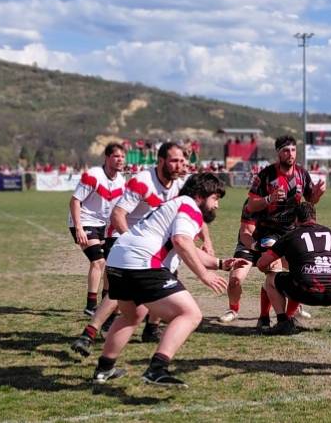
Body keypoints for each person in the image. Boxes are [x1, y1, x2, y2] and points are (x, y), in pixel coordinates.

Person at [90, 173, 246, 388]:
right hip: (141, 262)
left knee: (131, 315)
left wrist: (219, 264)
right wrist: (204, 275)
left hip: (118, 261)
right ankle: (157, 369)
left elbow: (185, 245)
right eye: (215, 198)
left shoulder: (174, 204)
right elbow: (181, 241)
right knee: (190, 314)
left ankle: (104, 369)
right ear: (200, 196)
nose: (217, 205)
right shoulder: (190, 206)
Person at [71, 142, 195, 356]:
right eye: (175, 161)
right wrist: (134, 242)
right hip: (125, 239)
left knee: (166, 279)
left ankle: (150, 328)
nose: (180, 166)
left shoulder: (179, 185)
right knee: (124, 289)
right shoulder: (142, 181)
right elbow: (117, 214)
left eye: (183, 161)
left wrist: (206, 242)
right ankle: (89, 334)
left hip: (154, 244)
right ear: (161, 161)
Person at [243, 135, 327, 331]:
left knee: (300, 270)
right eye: (286, 151)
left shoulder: (302, 174)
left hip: (293, 231)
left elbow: (310, 201)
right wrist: (269, 199)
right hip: (269, 231)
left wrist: (317, 194)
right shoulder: (265, 175)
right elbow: (251, 205)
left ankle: (288, 318)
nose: (290, 154)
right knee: (274, 269)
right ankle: (264, 317)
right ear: (278, 153)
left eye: (293, 150)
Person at [256, 202, 331, 335]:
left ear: (296, 219)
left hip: (305, 292)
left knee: (270, 279)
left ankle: (283, 322)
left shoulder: (290, 236)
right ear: (315, 217)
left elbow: (262, 263)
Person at [67, 143, 126, 317]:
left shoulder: (121, 181)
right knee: (98, 262)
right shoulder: (93, 175)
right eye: (116, 156)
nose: (120, 160)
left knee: (110, 263)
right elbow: (74, 201)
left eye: (122, 157)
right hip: (83, 221)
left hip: (104, 226)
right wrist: (78, 227)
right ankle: (91, 305)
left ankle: (104, 303)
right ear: (107, 158)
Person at [218, 200, 259, 323]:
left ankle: (293, 308)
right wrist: (259, 247)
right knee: (235, 280)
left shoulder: (283, 202)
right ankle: (233, 310)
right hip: (248, 245)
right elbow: (246, 231)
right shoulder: (252, 203)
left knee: (297, 266)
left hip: (273, 247)